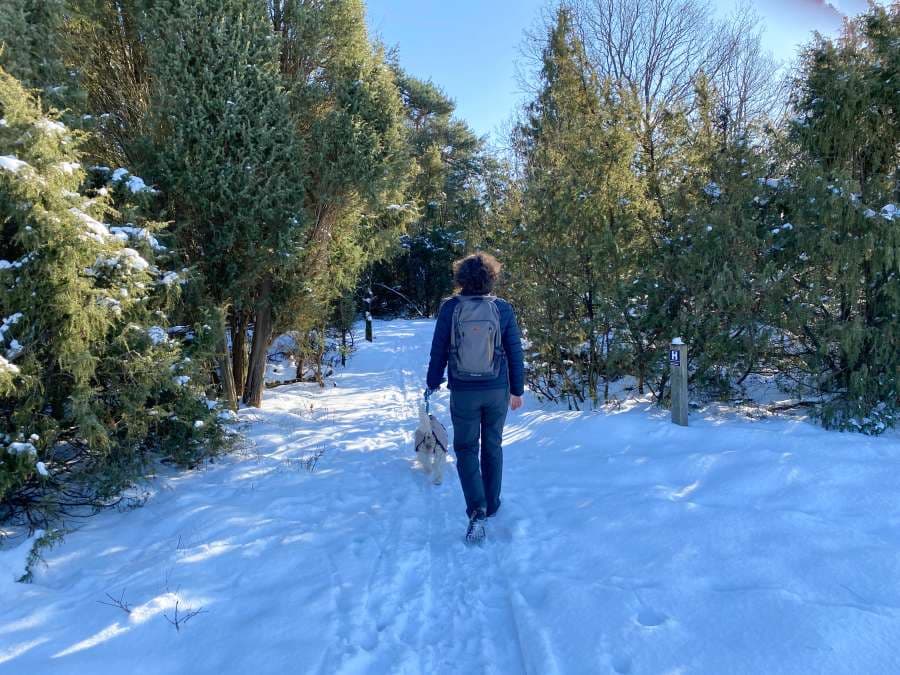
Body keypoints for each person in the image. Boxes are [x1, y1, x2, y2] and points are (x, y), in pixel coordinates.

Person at [425, 253, 524, 543]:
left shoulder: (450, 308)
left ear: (461, 279)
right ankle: (492, 504)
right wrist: (517, 390)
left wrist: (433, 381)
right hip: (497, 390)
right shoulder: (503, 309)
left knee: (466, 447)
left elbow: (438, 349)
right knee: (493, 445)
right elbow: (515, 352)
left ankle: (477, 508)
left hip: (464, 391)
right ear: (492, 277)